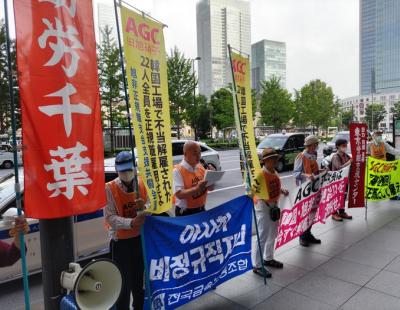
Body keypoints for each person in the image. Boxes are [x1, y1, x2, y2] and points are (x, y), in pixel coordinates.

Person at [104, 151, 147, 310]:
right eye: (122, 171)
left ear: (135, 168)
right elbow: (110, 218)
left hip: (139, 241)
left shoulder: (142, 184)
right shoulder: (109, 188)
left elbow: (152, 208)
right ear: (117, 170)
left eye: (129, 169)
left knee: (139, 284)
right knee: (123, 286)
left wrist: (145, 208)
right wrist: (131, 222)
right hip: (120, 244)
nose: (126, 174)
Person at [252, 148, 288, 278]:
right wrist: (261, 199)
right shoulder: (260, 175)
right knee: (262, 235)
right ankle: (257, 265)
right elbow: (252, 191)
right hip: (264, 207)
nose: (274, 161)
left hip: (274, 206)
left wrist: (281, 190)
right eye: (272, 159)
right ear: (265, 161)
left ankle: (268, 258)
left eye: (275, 159)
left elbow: (274, 186)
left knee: (273, 234)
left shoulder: (274, 172)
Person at [293, 135, 323, 247]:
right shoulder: (300, 156)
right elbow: (296, 173)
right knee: (305, 213)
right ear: (310, 145)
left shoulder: (313, 155)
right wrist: (306, 175)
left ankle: (308, 233)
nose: (317, 146)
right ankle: (302, 236)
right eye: (316, 144)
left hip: (314, 187)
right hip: (304, 190)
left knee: (312, 212)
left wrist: (321, 170)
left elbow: (314, 170)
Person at [173, 141, 214, 216]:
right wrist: (197, 188)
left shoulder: (200, 167)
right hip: (185, 213)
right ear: (185, 154)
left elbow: (211, 188)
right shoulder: (177, 171)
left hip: (201, 209)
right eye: (194, 153)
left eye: (199, 153)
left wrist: (212, 176)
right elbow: (179, 195)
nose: (198, 156)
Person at [331, 139, 353, 221]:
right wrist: (349, 162)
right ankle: (334, 213)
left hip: (345, 180)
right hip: (337, 181)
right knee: (336, 197)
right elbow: (339, 167)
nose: (345, 147)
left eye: (346, 145)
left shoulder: (346, 155)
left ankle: (342, 211)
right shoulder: (335, 157)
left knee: (343, 196)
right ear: (338, 147)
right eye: (343, 146)